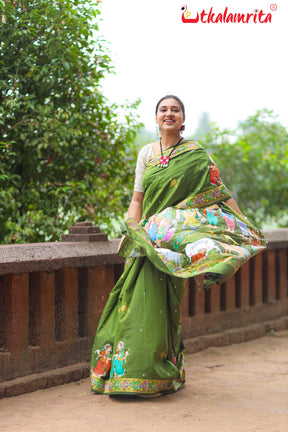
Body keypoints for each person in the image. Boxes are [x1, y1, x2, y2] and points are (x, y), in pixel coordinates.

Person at [90, 95, 267, 397]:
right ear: (156, 118)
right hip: (146, 240)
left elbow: (218, 194)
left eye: (175, 110)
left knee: (164, 307)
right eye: (163, 110)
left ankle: (163, 376)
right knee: (130, 304)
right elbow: (137, 199)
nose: (169, 113)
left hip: (175, 242)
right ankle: (125, 375)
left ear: (182, 119)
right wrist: (130, 229)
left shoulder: (196, 154)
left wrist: (245, 224)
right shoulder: (146, 153)